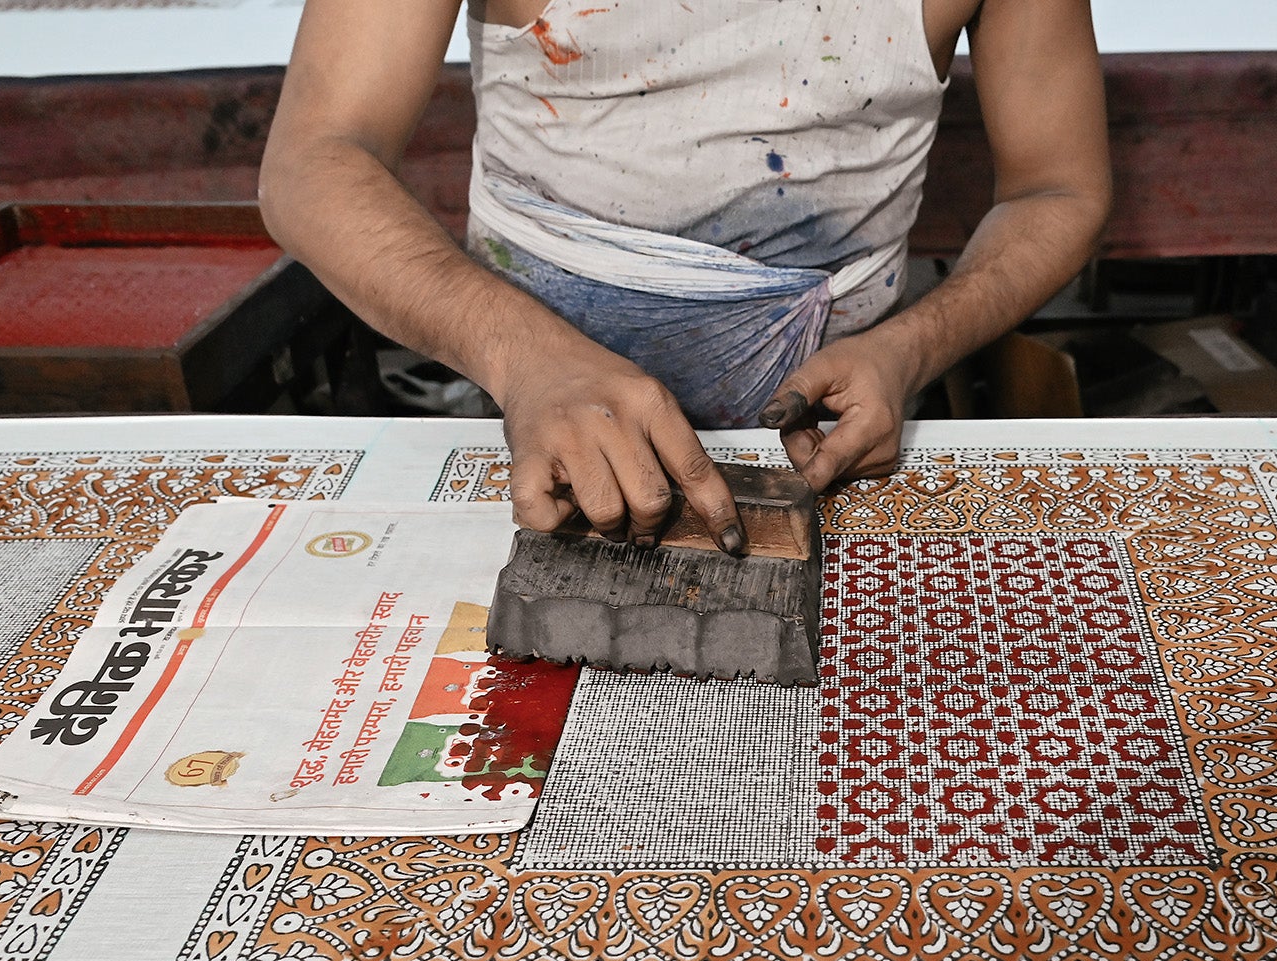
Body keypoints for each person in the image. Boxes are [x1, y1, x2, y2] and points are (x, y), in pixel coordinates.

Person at [261, 0, 1111, 551]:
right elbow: (313, 160)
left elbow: (1058, 187)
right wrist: (525, 357)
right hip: (521, 428)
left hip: (841, 455)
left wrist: (912, 348)